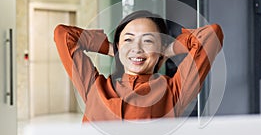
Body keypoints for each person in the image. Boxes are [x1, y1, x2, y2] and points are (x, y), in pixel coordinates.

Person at [54, 10, 223, 122]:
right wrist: (114, 50)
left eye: (148, 40)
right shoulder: (93, 87)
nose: (137, 48)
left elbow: (211, 35)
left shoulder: (174, 91)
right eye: (128, 39)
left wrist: (168, 49)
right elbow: (63, 35)